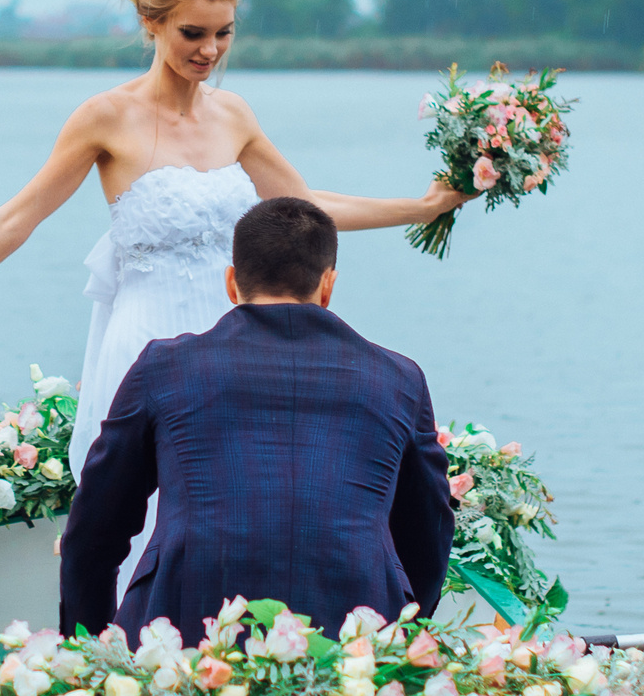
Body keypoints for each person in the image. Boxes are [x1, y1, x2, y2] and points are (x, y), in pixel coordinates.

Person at [0, 0, 467, 592]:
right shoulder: (107, 116)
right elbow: (16, 218)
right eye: (192, 32)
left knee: (234, 509)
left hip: (230, 340)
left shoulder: (234, 114)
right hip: (144, 343)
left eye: (224, 34)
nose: (209, 52)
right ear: (150, 20)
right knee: (143, 518)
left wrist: (419, 208)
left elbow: (305, 206)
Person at [56, 196, 455, 639]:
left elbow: (94, 534)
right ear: (328, 285)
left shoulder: (164, 367)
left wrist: (87, 650)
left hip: (185, 626)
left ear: (231, 282)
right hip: (356, 631)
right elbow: (429, 533)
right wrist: (403, 635)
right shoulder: (398, 379)